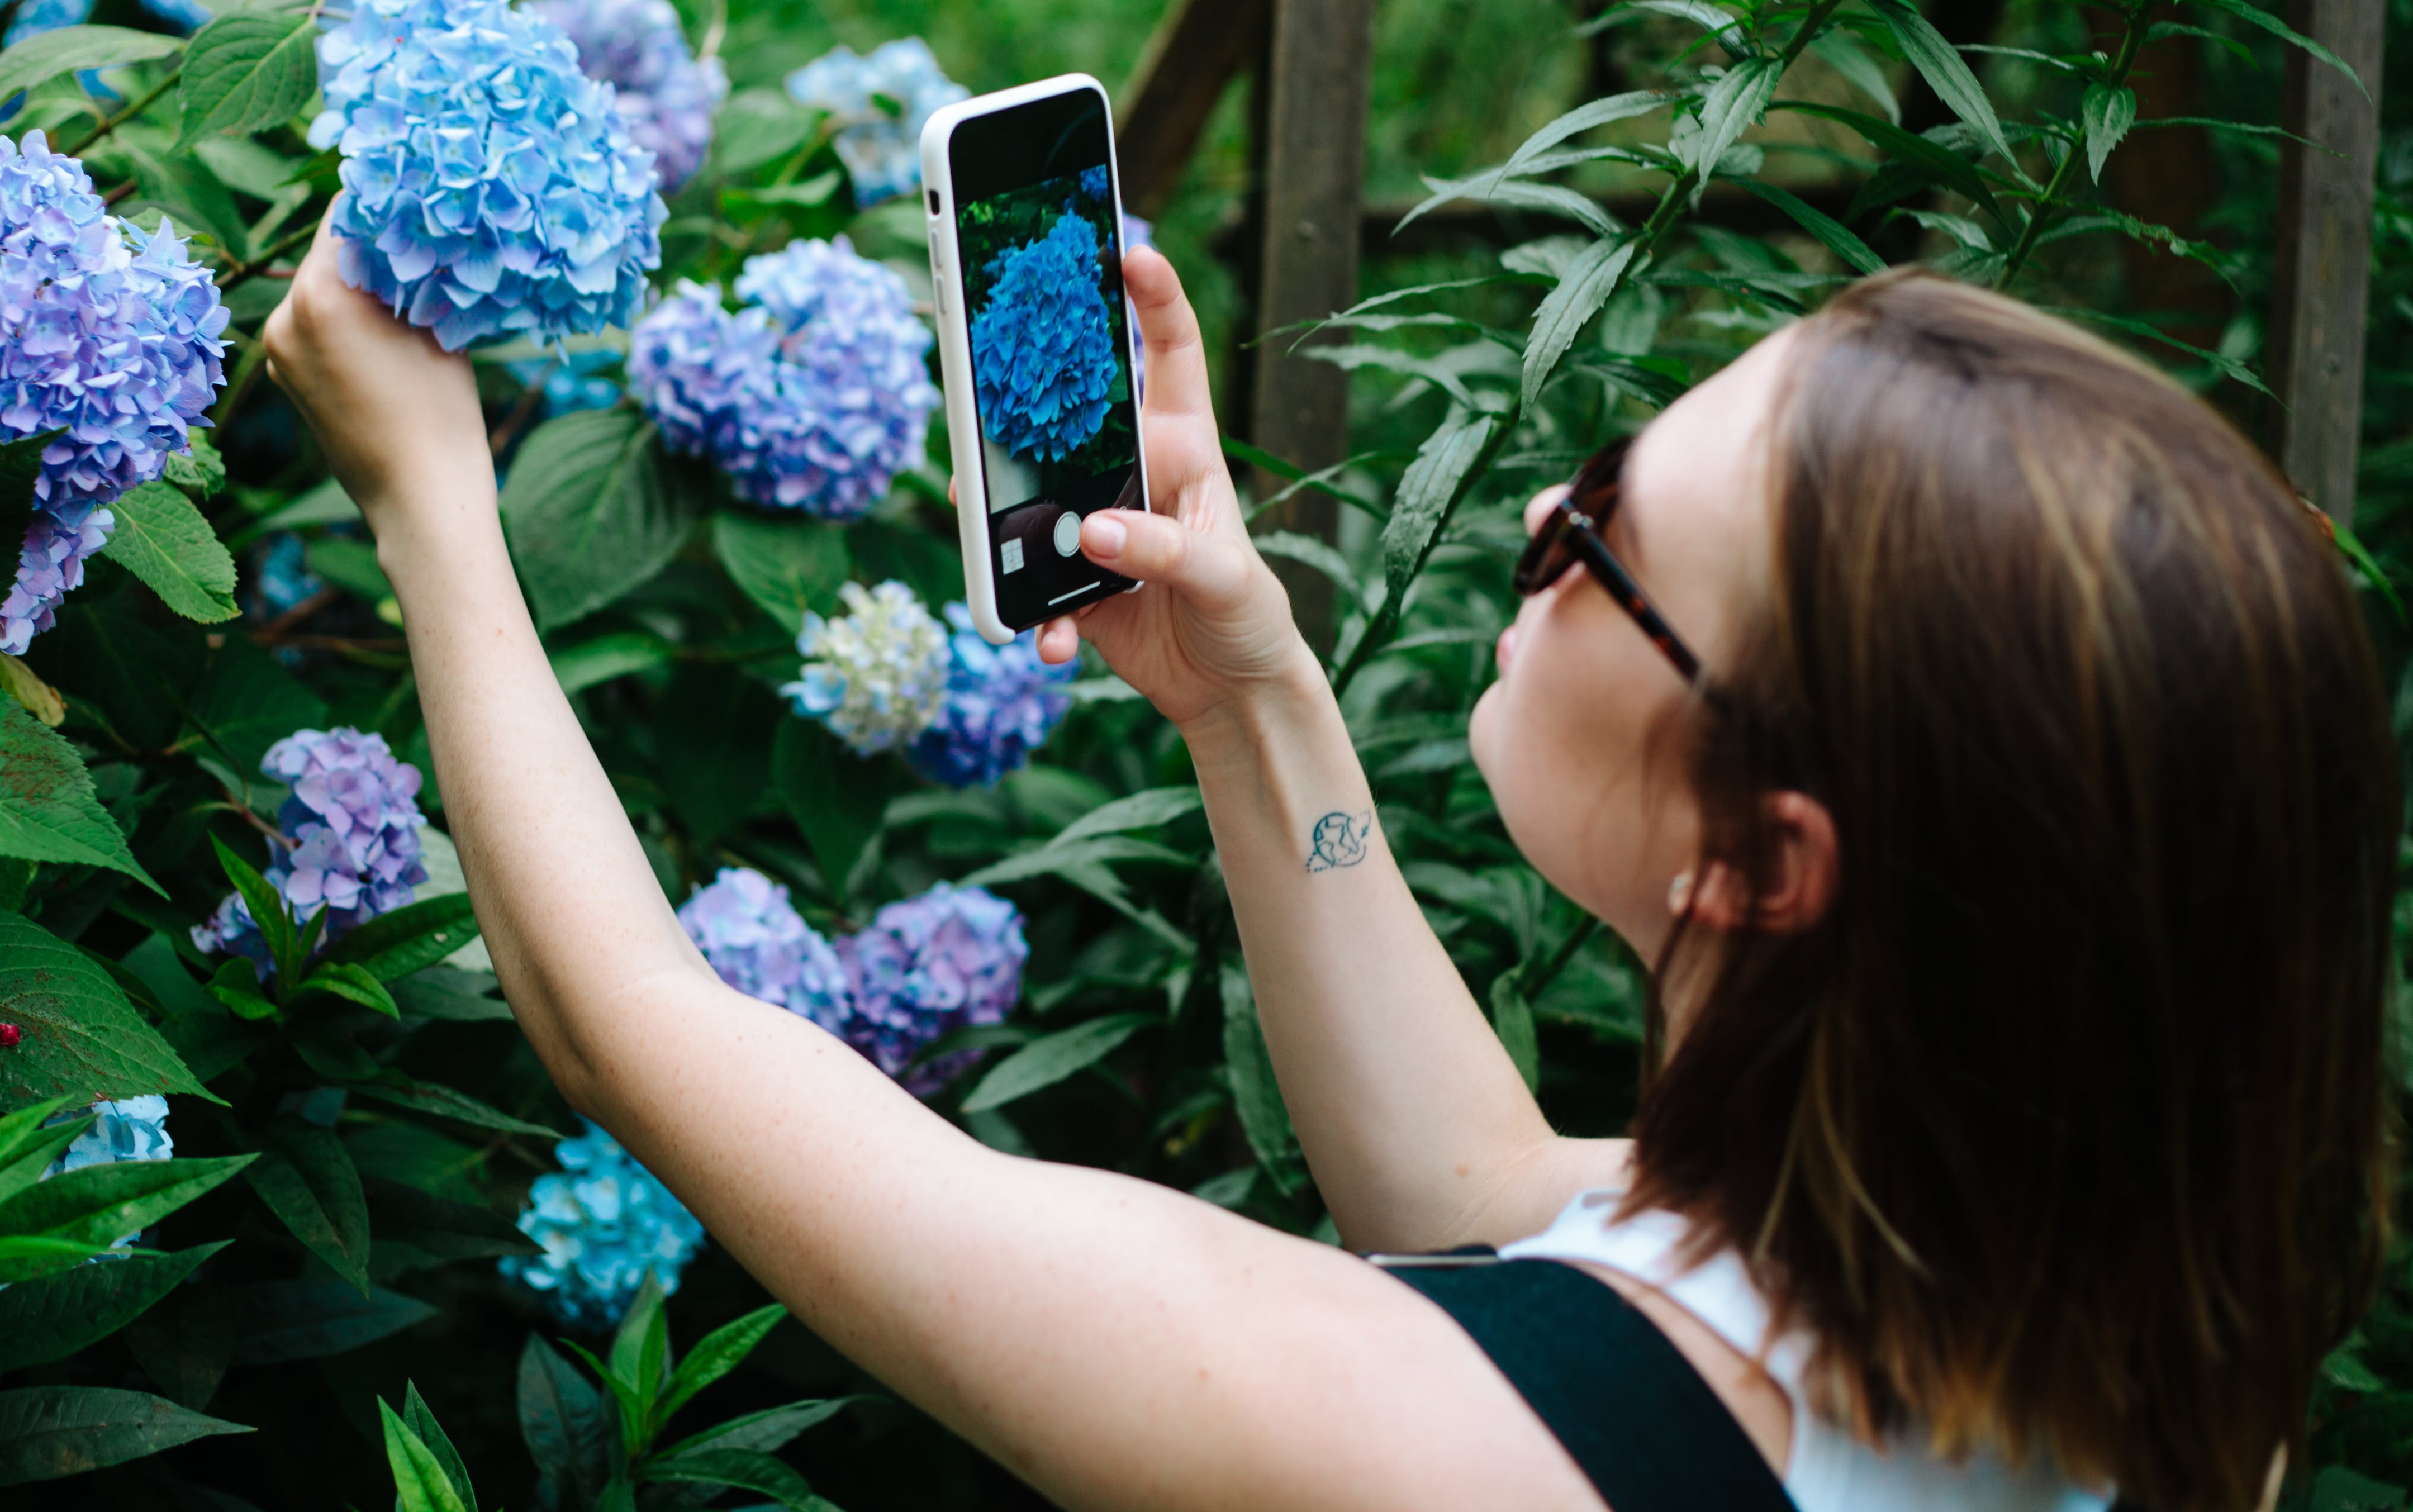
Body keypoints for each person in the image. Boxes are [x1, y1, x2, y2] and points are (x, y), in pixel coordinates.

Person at [264, 225, 2393, 1512]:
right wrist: (1249, 699)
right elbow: (1483, 1209)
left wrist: (433, 496)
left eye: (1603, 543)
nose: (1539, 514)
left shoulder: (1434, 1459)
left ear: (1765, 859)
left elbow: (636, 1030)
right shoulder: (2105, 1345)